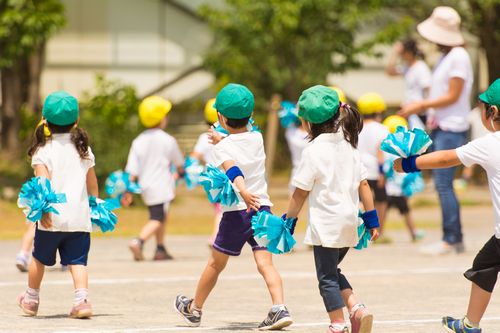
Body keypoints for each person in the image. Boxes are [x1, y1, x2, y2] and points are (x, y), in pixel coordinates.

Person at [175, 83, 293, 330]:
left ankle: (194, 308)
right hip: (263, 209)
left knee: (216, 264)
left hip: (237, 212)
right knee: (265, 264)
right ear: (251, 116)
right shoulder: (257, 137)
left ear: (219, 117)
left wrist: (242, 190)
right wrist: (223, 139)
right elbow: (241, 143)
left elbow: (232, 167)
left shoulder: (220, 147)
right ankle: (279, 308)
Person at [394, 78, 500, 333]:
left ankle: (470, 324)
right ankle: (469, 323)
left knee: (484, 266)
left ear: (493, 112)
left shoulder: (491, 143)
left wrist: (409, 164)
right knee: (485, 264)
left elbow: (445, 159)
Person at [285, 85, 380, 333]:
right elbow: (364, 185)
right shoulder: (350, 146)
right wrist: (372, 219)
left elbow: (300, 193)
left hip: (326, 227)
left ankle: (338, 323)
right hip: (350, 224)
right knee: (332, 271)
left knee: (326, 278)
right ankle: (357, 309)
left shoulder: (313, 151)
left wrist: (289, 221)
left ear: (307, 122)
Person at [398, 6, 473, 255]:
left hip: (453, 127)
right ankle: (453, 237)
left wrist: (420, 105)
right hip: (442, 126)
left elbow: (453, 95)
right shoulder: (447, 57)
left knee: (443, 184)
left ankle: (451, 238)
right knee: (442, 184)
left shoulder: (459, 56)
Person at [17, 91, 97, 318]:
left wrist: (41, 210)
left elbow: (43, 183)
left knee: (39, 259)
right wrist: (94, 205)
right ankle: (82, 301)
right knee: (78, 262)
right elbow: (92, 184)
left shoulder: (43, 150)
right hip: (79, 219)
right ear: (76, 120)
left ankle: (31, 299)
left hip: (51, 218)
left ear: (44, 119)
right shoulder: (83, 149)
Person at [125, 96, 184, 261]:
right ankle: (139, 241)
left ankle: (160, 248)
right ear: (161, 118)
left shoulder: (138, 141)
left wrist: (128, 189)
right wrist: (182, 171)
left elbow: (132, 170)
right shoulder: (168, 140)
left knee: (158, 215)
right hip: (162, 186)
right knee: (158, 218)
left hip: (145, 186)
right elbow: (179, 162)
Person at [382, 115, 424, 242]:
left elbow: (386, 170)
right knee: (406, 212)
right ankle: (413, 233)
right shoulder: (406, 150)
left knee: (383, 212)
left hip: (389, 188)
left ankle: (378, 233)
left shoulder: (387, 150)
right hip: (398, 190)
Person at [357, 92, 390, 241]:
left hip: (358, 169)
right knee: (381, 201)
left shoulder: (356, 126)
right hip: (375, 170)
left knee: (359, 201)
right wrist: (382, 172)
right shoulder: (381, 129)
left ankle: (357, 229)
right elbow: (381, 152)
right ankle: (378, 232)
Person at [190, 98, 223, 246]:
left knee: (220, 209)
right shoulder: (226, 136)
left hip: (210, 179)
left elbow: (193, 157)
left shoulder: (204, 138)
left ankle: (219, 236)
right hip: (224, 177)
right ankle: (215, 237)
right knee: (222, 210)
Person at [385, 38, 432, 130]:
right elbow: (390, 72)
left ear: (409, 52)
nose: (401, 56)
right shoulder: (407, 67)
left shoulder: (421, 67)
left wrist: (423, 107)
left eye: (402, 53)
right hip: (410, 111)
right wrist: (394, 53)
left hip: (418, 112)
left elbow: (428, 89)